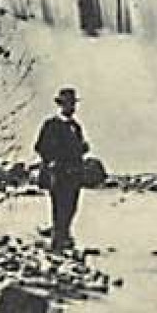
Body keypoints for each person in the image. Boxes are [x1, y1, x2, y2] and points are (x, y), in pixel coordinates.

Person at [34, 86, 90, 251]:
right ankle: (58, 242)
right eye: (68, 104)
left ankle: (64, 236)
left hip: (74, 174)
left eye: (73, 104)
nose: (71, 107)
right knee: (60, 206)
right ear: (61, 105)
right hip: (59, 173)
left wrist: (82, 149)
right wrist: (53, 160)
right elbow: (40, 146)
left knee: (72, 206)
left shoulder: (75, 127)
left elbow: (78, 149)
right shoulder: (51, 125)